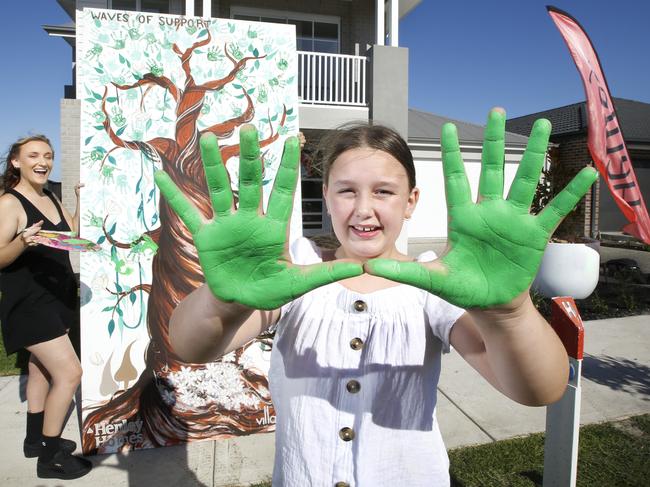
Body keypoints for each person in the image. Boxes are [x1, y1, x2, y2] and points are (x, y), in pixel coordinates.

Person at [154, 108, 598, 486]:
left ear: (411, 201)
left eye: (384, 191)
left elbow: (539, 389)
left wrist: (511, 313)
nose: (363, 208)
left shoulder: (433, 285)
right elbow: (192, 345)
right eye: (346, 189)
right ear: (325, 195)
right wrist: (222, 300)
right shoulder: (293, 274)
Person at [0, 135, 92, 480]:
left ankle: (34, 439)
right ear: (16, 162)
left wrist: (80, 201)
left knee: (39, 369)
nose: (43, 161)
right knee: (70, 374)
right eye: (34, 155)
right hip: (29, 304)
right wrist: (21, 242)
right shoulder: (10, 203)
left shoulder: (49, 194)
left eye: (48, 155)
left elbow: (70, 235)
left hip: (55, 298)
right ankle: (50, 457)